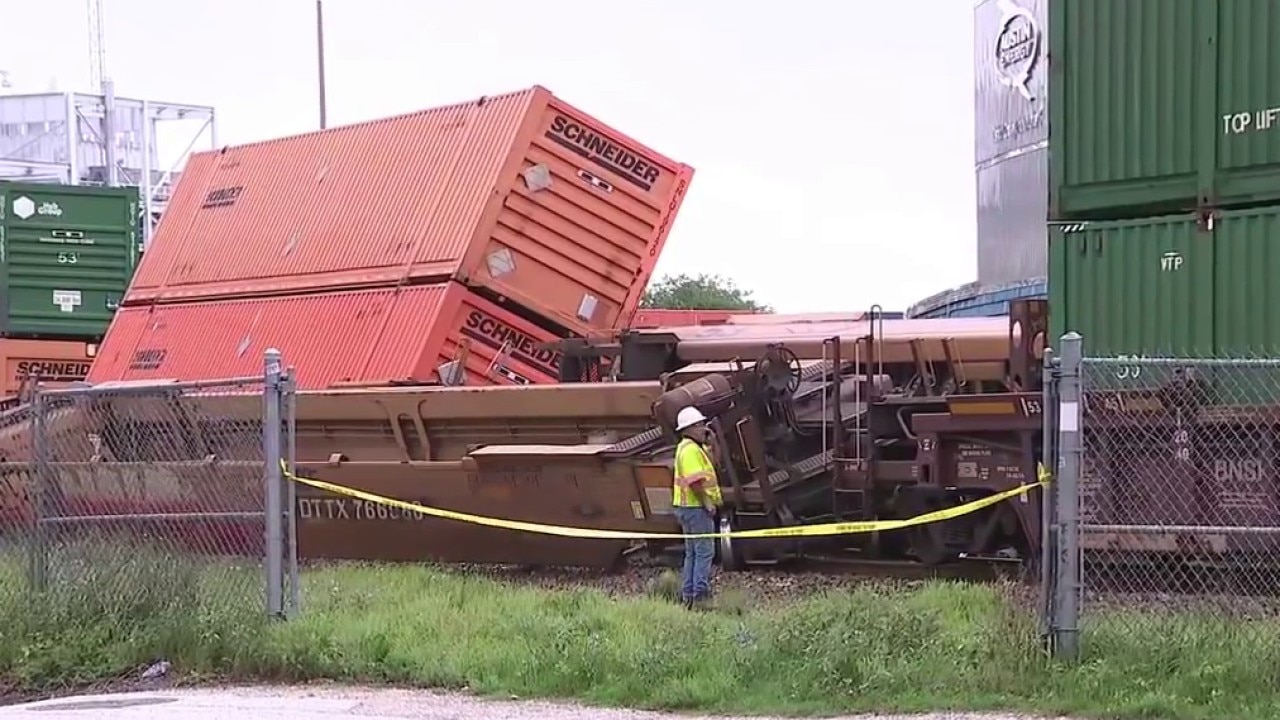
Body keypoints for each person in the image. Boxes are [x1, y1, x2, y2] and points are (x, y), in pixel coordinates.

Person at [671, 406, 724, 609]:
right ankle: (700, 596)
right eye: (700, 425)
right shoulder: (691, 451)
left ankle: (689, 596)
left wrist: (713, 442)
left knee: (693, 552)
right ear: (690, 428)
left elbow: (715, 463)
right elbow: (694, 482)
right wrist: (707, 503)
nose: (704, 428)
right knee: (704, 552)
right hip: (695, 509)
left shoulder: (691, 448)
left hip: (687, 508)